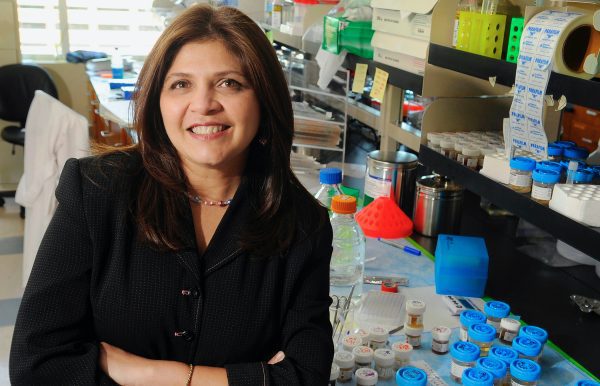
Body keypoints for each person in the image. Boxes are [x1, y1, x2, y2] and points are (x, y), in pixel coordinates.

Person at [9, 4, 334, 385]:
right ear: (157, 103)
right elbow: (36, 365)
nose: (204, 104)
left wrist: (146, 373)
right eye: (181, 84)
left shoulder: (302, 225)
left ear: (264, 100)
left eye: (229, 82)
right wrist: (253, 377)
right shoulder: (97, 191)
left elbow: (307, 376)